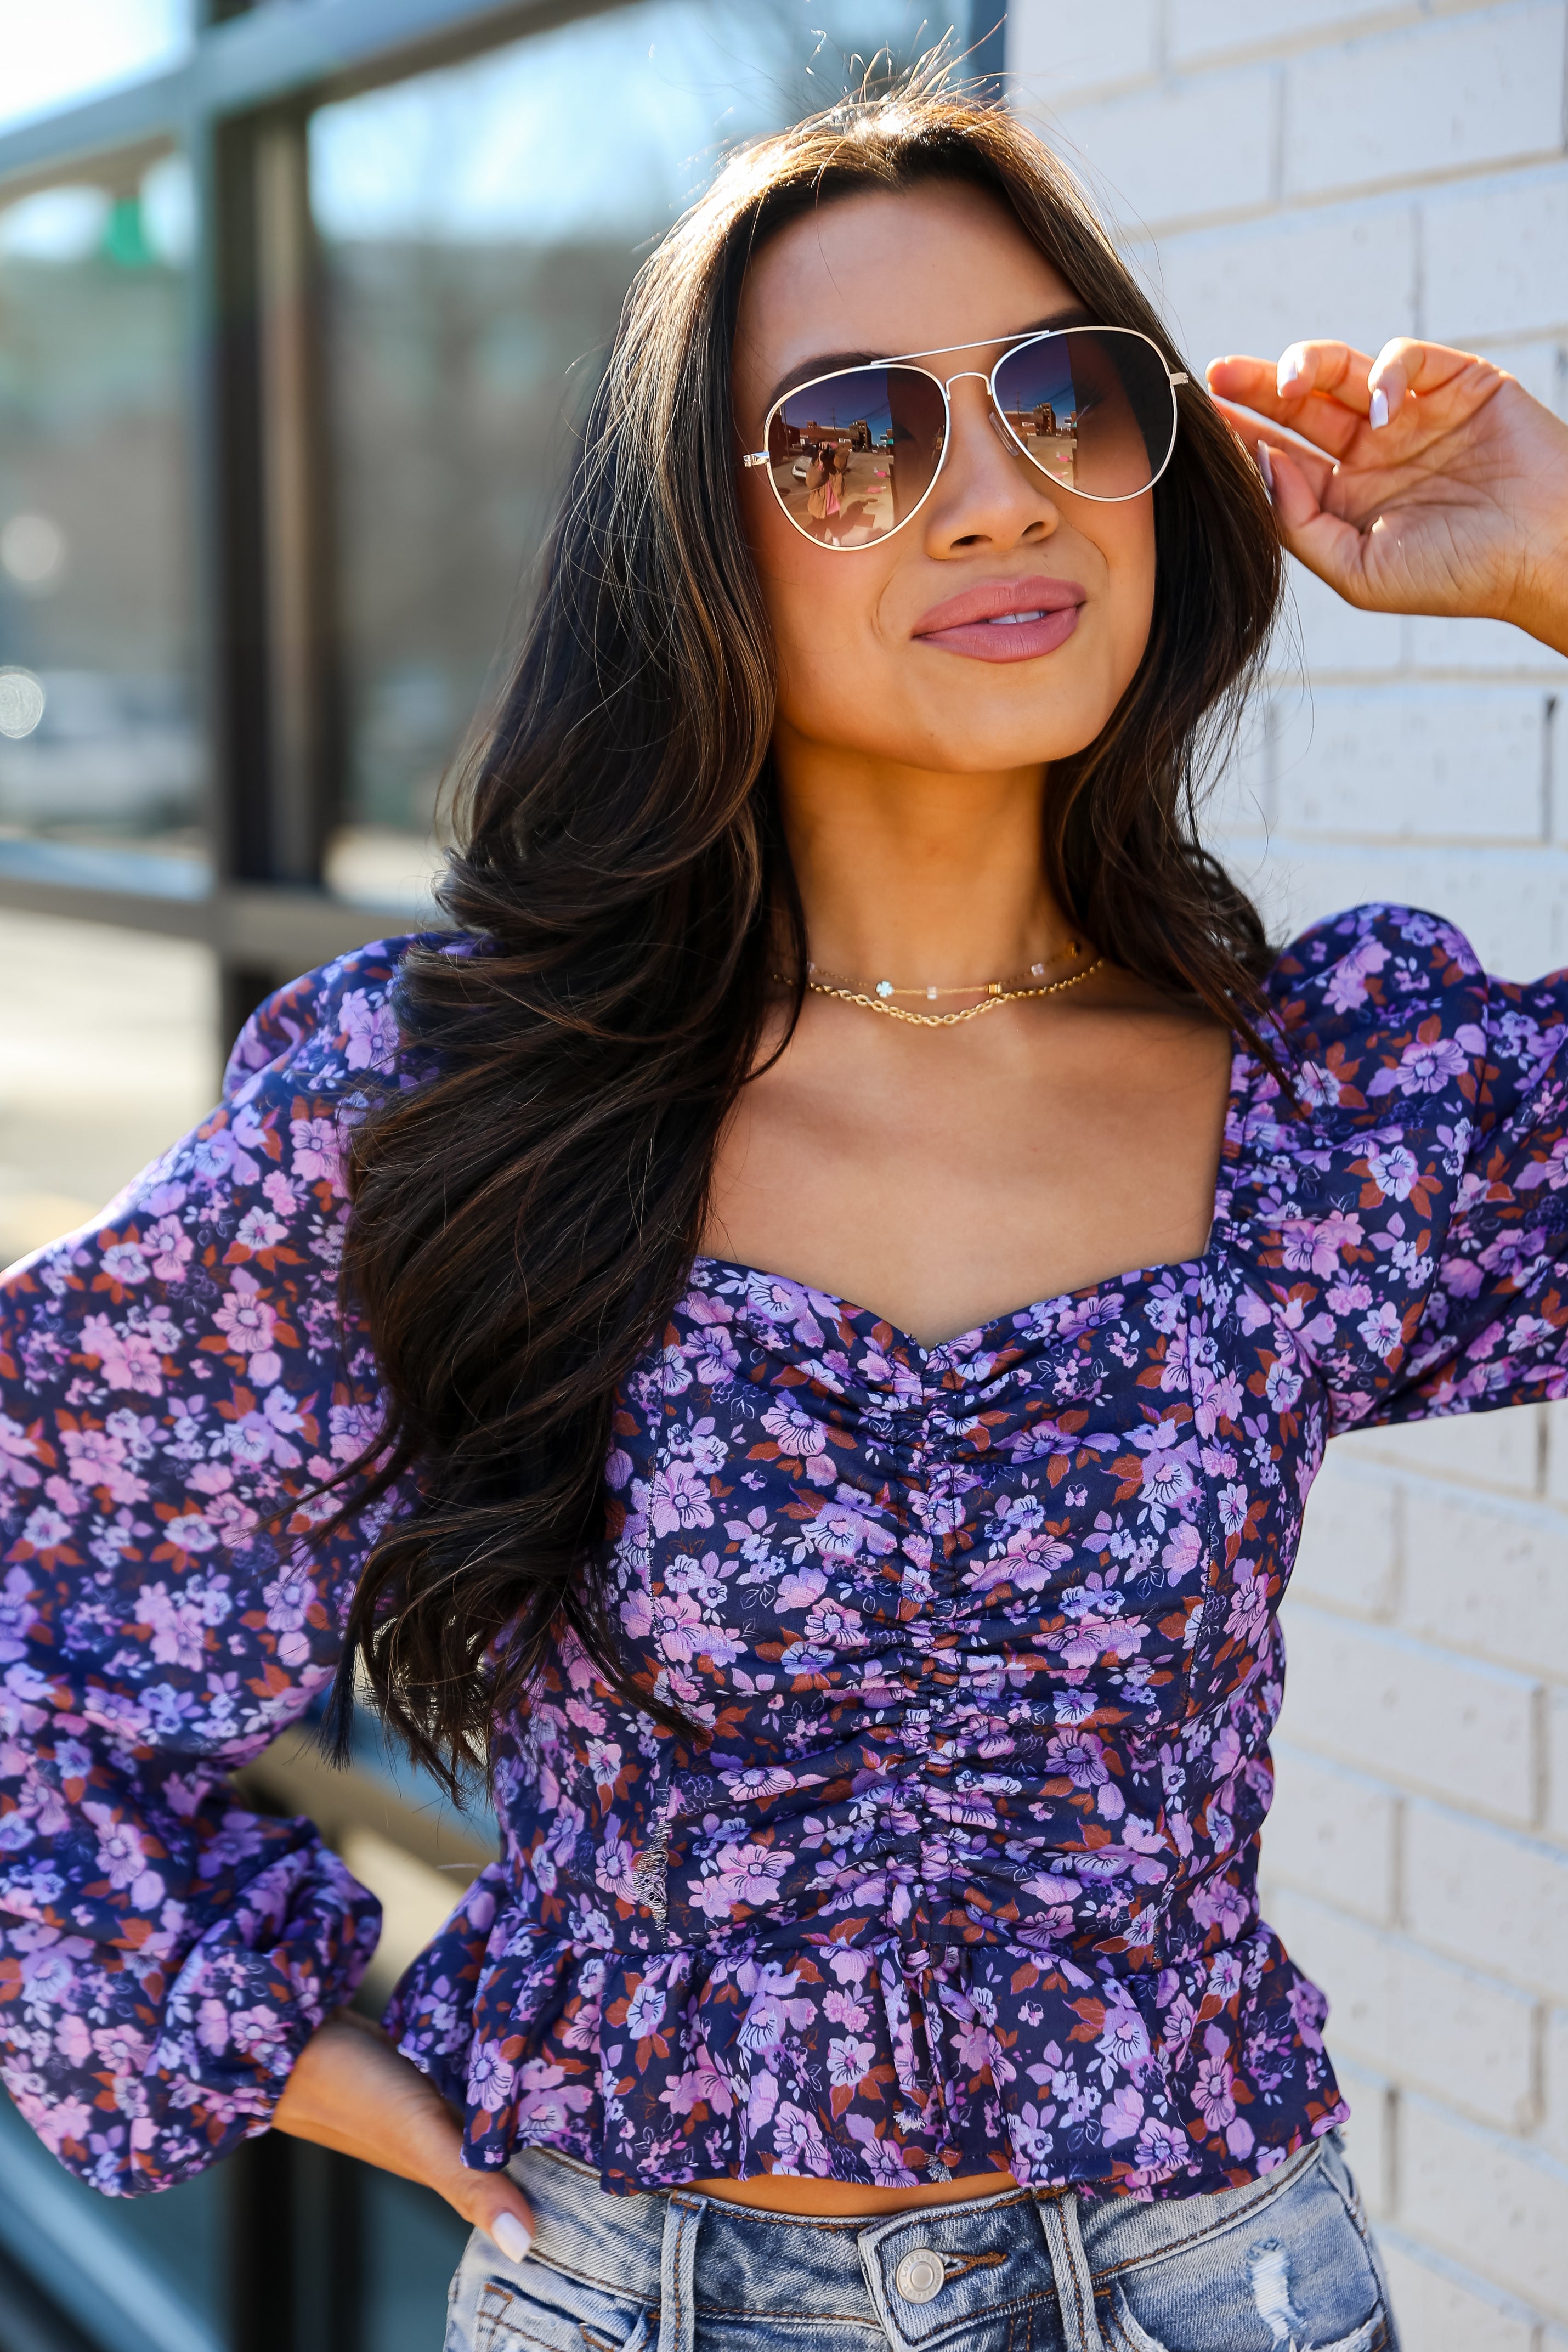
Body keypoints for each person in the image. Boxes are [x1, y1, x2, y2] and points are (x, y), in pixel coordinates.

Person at [2, 75, 1566, 2352]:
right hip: (630, 2291)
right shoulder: (451, 1100)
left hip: (1205, 2292)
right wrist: (251, 2043)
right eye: (850, 438)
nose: (988, 494)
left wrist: (1555, 561)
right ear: (694, 550)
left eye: (1061, 398)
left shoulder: (1334, 1114)